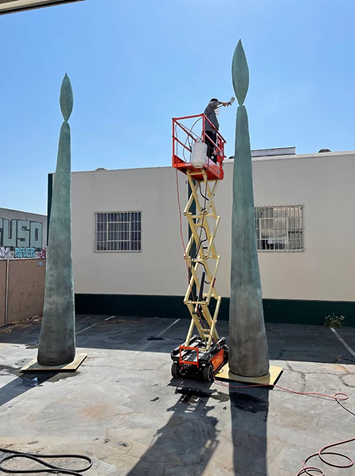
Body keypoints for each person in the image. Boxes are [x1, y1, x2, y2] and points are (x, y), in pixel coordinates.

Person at [203, 98, 229, 162]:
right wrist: (222, 102)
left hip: (213, 131)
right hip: (209, 130)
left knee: (212, 146)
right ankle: (206, 159)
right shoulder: (209, 107)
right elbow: (212, 104)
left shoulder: (212, 112)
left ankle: (209, 159)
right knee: (208, 145)